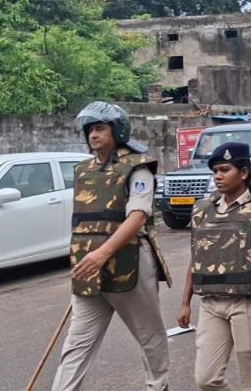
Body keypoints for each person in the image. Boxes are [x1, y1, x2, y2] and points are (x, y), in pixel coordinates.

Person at [53, 102, 172, 391]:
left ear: (117, 130)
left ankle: (158, 386)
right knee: (76, 344)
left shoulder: (138, 167)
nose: (93, 135)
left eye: (99, 128)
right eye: (89, 130)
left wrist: (103, 253)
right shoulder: (83, 169)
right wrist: (89, 258)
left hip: (129, 262)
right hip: (88, 267)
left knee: (150, 336)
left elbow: (138, 216)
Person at [176, 142, 251, 391]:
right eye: (215, 171)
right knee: (206, 379)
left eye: (225, 170)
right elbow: (196, 258)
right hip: (212, 303)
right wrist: (185, 303)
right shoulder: (204, 211)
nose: (218, 176)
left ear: (244, 173)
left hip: (250, 302)